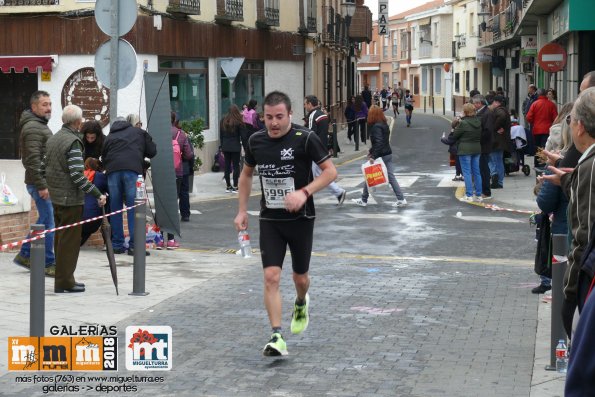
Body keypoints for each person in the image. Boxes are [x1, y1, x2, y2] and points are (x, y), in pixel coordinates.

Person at [234, 91, 337, 356]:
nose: (274, 123)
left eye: (279, 116)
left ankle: (301, 301)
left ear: (290, 114)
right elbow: (245, 176)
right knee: (271, 276)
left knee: (299, 278)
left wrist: (304, 193)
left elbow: (330, 172)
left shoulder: (306, 139)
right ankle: (277, 335)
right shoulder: (256, 141)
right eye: (268, 117)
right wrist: (242, 210)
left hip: (301, 220)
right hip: (271, 219)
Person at [539, 87, 595, 337]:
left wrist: (569, 294)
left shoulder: (590, 165)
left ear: (580, 126)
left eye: (570, 120)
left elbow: (584, 235)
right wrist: (567, 180)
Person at [43, 105, 107, 293]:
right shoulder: (73, 142)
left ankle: (62, 279)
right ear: (78, 122)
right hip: (70, 199)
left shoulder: (53, 138)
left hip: (55, 196)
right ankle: (65, 282)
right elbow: (78, 176)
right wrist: (97, 193)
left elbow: (43, 165)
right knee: (70, 243)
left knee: (60, 240)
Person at [533, 103, 577, 295]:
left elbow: (546, 202)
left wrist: (547, 178)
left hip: (566, 229)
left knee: (565, 289)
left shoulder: (565, 159)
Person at [13, 91, 56, 277]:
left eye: (50, 104)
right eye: (44, 104)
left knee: (45, 220)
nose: (49, 108)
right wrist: (42, 185)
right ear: (34, 107)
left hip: (43, 181)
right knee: (48, 221)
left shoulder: (38, 125)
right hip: (40, 183)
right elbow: (32, 160)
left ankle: (25, 254)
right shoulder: (33, 128)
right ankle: (48, 262)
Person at [102, 116, 157, 256]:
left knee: (115, 208)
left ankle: (117, 245)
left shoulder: (109, 136)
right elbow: (152, 151)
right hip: (132, 171)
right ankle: (135, 246)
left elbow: (103, 156)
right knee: (135, 208)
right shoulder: (138, 132)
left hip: (112, 172)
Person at [351, 105, 407, 208]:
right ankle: (401, 199)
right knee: (390, 177)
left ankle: (364, 200)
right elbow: (382, 142)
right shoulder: (384, 124)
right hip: (388, 154)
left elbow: (379, 142)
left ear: (373, 115)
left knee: (369, 176)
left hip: (381, 155)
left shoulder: (376, 127)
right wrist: (372, 151)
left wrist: (373, 155)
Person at [304, 95, 346, 205]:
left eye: (305, 104)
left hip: (314, 149)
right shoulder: (323, 114)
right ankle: (338, 192)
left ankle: (339, 192)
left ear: (309, 104)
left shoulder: (312, 115)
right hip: (323, 147)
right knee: (316, 174)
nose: (304, 106)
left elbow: (310, 133)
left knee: (318, 175)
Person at [453, 103, 483, 202]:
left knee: (467, 173)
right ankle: (479, 195)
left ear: (465, 112)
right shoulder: (478, 121)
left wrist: (457, 121)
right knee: (477, 172)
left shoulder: (463, 123)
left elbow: (455, 135)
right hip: (476, 148)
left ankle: (469, 195)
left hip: (465, 149)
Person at [526, 88, 558, 168]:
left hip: (536, 129)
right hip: (547, 129)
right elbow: (556, 118)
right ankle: (544, 164)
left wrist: (534, 122)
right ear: (546, 94)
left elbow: (528, 117)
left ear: (538, 95)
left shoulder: (535, 104)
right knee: (546, 147)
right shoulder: (551, 105)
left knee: (537, 147)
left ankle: (537, 164)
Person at [80, 157, 108, 246]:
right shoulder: (100, 176)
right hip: (92, 219)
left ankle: (75, 244)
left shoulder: (80, 177)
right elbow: (110, 191)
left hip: (76, 217)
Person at [219, 105, 247, 192]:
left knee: (227, 166)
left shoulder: (223, 120)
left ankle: (228, 186)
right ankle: (235, 185)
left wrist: (221, 147)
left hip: (225, 146)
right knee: (236, 166)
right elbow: (243, 137)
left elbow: (221, 136)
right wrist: (246, 148)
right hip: (235, 147)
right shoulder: (239, 122)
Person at [472, 94, 494, 198]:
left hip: (484, 146)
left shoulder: (487, 113)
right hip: (480, 145)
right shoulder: (480, 112)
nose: (473, 105)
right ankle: (480, 190)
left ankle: (486, 191)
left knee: (484, 169)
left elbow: (488, 131)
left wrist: (477, 139)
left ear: (479, 103)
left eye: (474, 103)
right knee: (480, 169)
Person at [488, 95, 511, 189]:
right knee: (497, 160)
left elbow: (501, 117)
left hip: (497, 141)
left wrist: (494, 127)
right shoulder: (503, 110)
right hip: (500, 141)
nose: (492, 104)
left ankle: (496, 177)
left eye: (493, 102)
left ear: (497, 102)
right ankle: (498, 180)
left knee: (494, 160)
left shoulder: (499, 110)